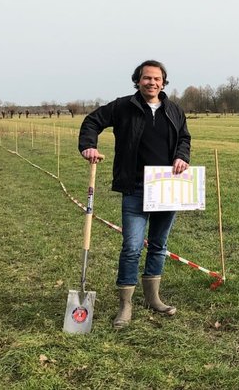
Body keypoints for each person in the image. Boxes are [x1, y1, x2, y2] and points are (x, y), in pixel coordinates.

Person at [78, 59, 191, 328]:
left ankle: (153, 298)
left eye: (157, 79)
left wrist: (181, 156)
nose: (152, 83)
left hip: (166, 187)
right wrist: (88, 147)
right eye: (146, 78)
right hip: (135, 188)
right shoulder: (122, 107)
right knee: (131, 247)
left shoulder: (174, 110)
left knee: (158, 246)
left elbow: (184, 138)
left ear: (164, 82)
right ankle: (125, 305)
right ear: (137, 81)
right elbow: (92, 121)